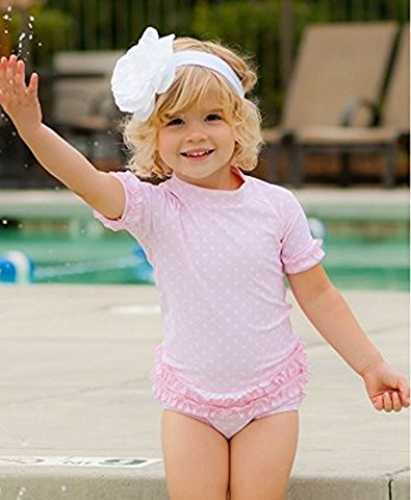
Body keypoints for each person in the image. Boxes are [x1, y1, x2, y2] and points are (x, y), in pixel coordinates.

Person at [0, 25, 409, 500]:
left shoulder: (276, 207)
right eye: (175, 121)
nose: (195, 134)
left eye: (212, 117)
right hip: (192, 404)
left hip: (268, 401)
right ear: (152, 136)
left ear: (238, 124)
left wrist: (370, 365)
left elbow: (319, 294)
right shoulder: (154, 209)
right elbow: (85, 178)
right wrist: (32, 129)